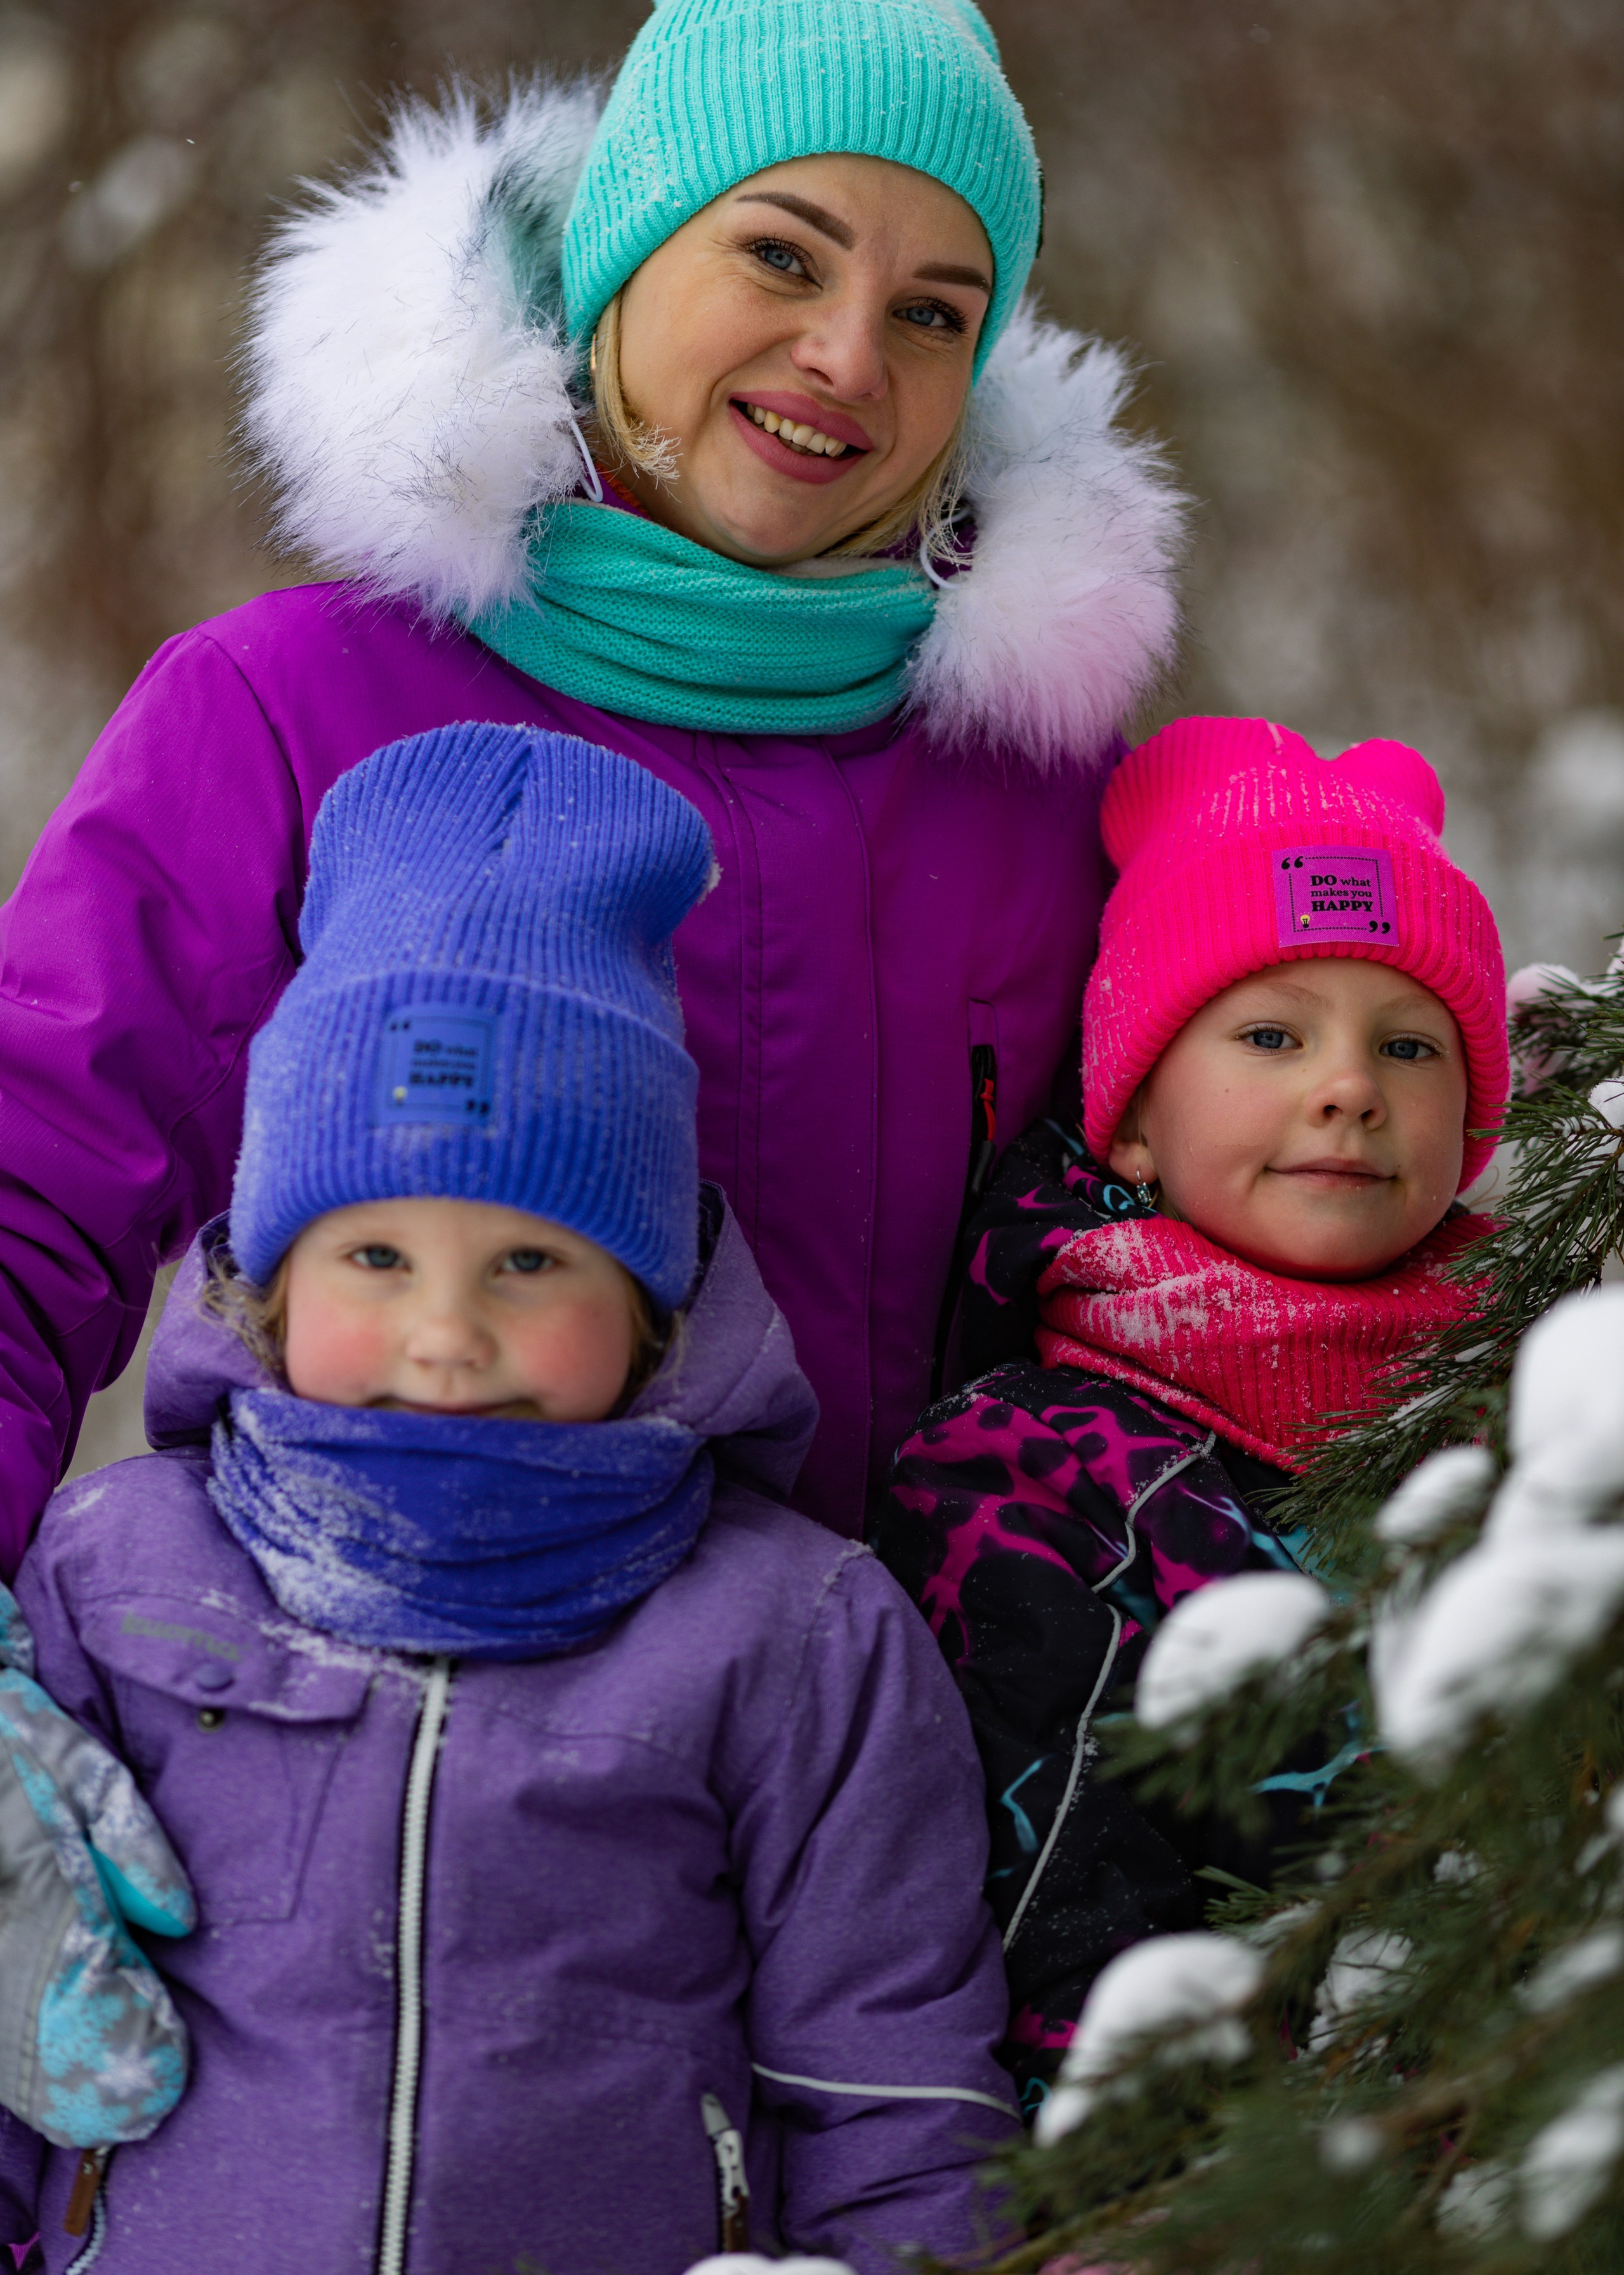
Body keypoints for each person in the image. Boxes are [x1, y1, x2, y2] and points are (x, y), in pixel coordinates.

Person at [0, 0, 1185, 1580]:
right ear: (621, 260)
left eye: (933, 311)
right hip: (389, 1770)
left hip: (922, 1786)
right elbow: (25, 1198)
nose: (849, 356)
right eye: (782, 257)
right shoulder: (281, 713)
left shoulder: (1043, 790)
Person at [0, 723, 1019, 2274]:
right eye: (375, 1257)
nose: (446, 1333)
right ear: (273, 1281)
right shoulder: (118, 1566)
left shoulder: (793, 1633)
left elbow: (891, 2094)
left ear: (653, 1295)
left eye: (530, 1262)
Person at [875, 715, 1509, 2119]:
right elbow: (1055, 1911)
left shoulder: (1530, 1424)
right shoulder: (1029, 1468)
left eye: (1408, 1046)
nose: (1346, 1087)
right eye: (1269, 1035)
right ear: (1131, 1120)